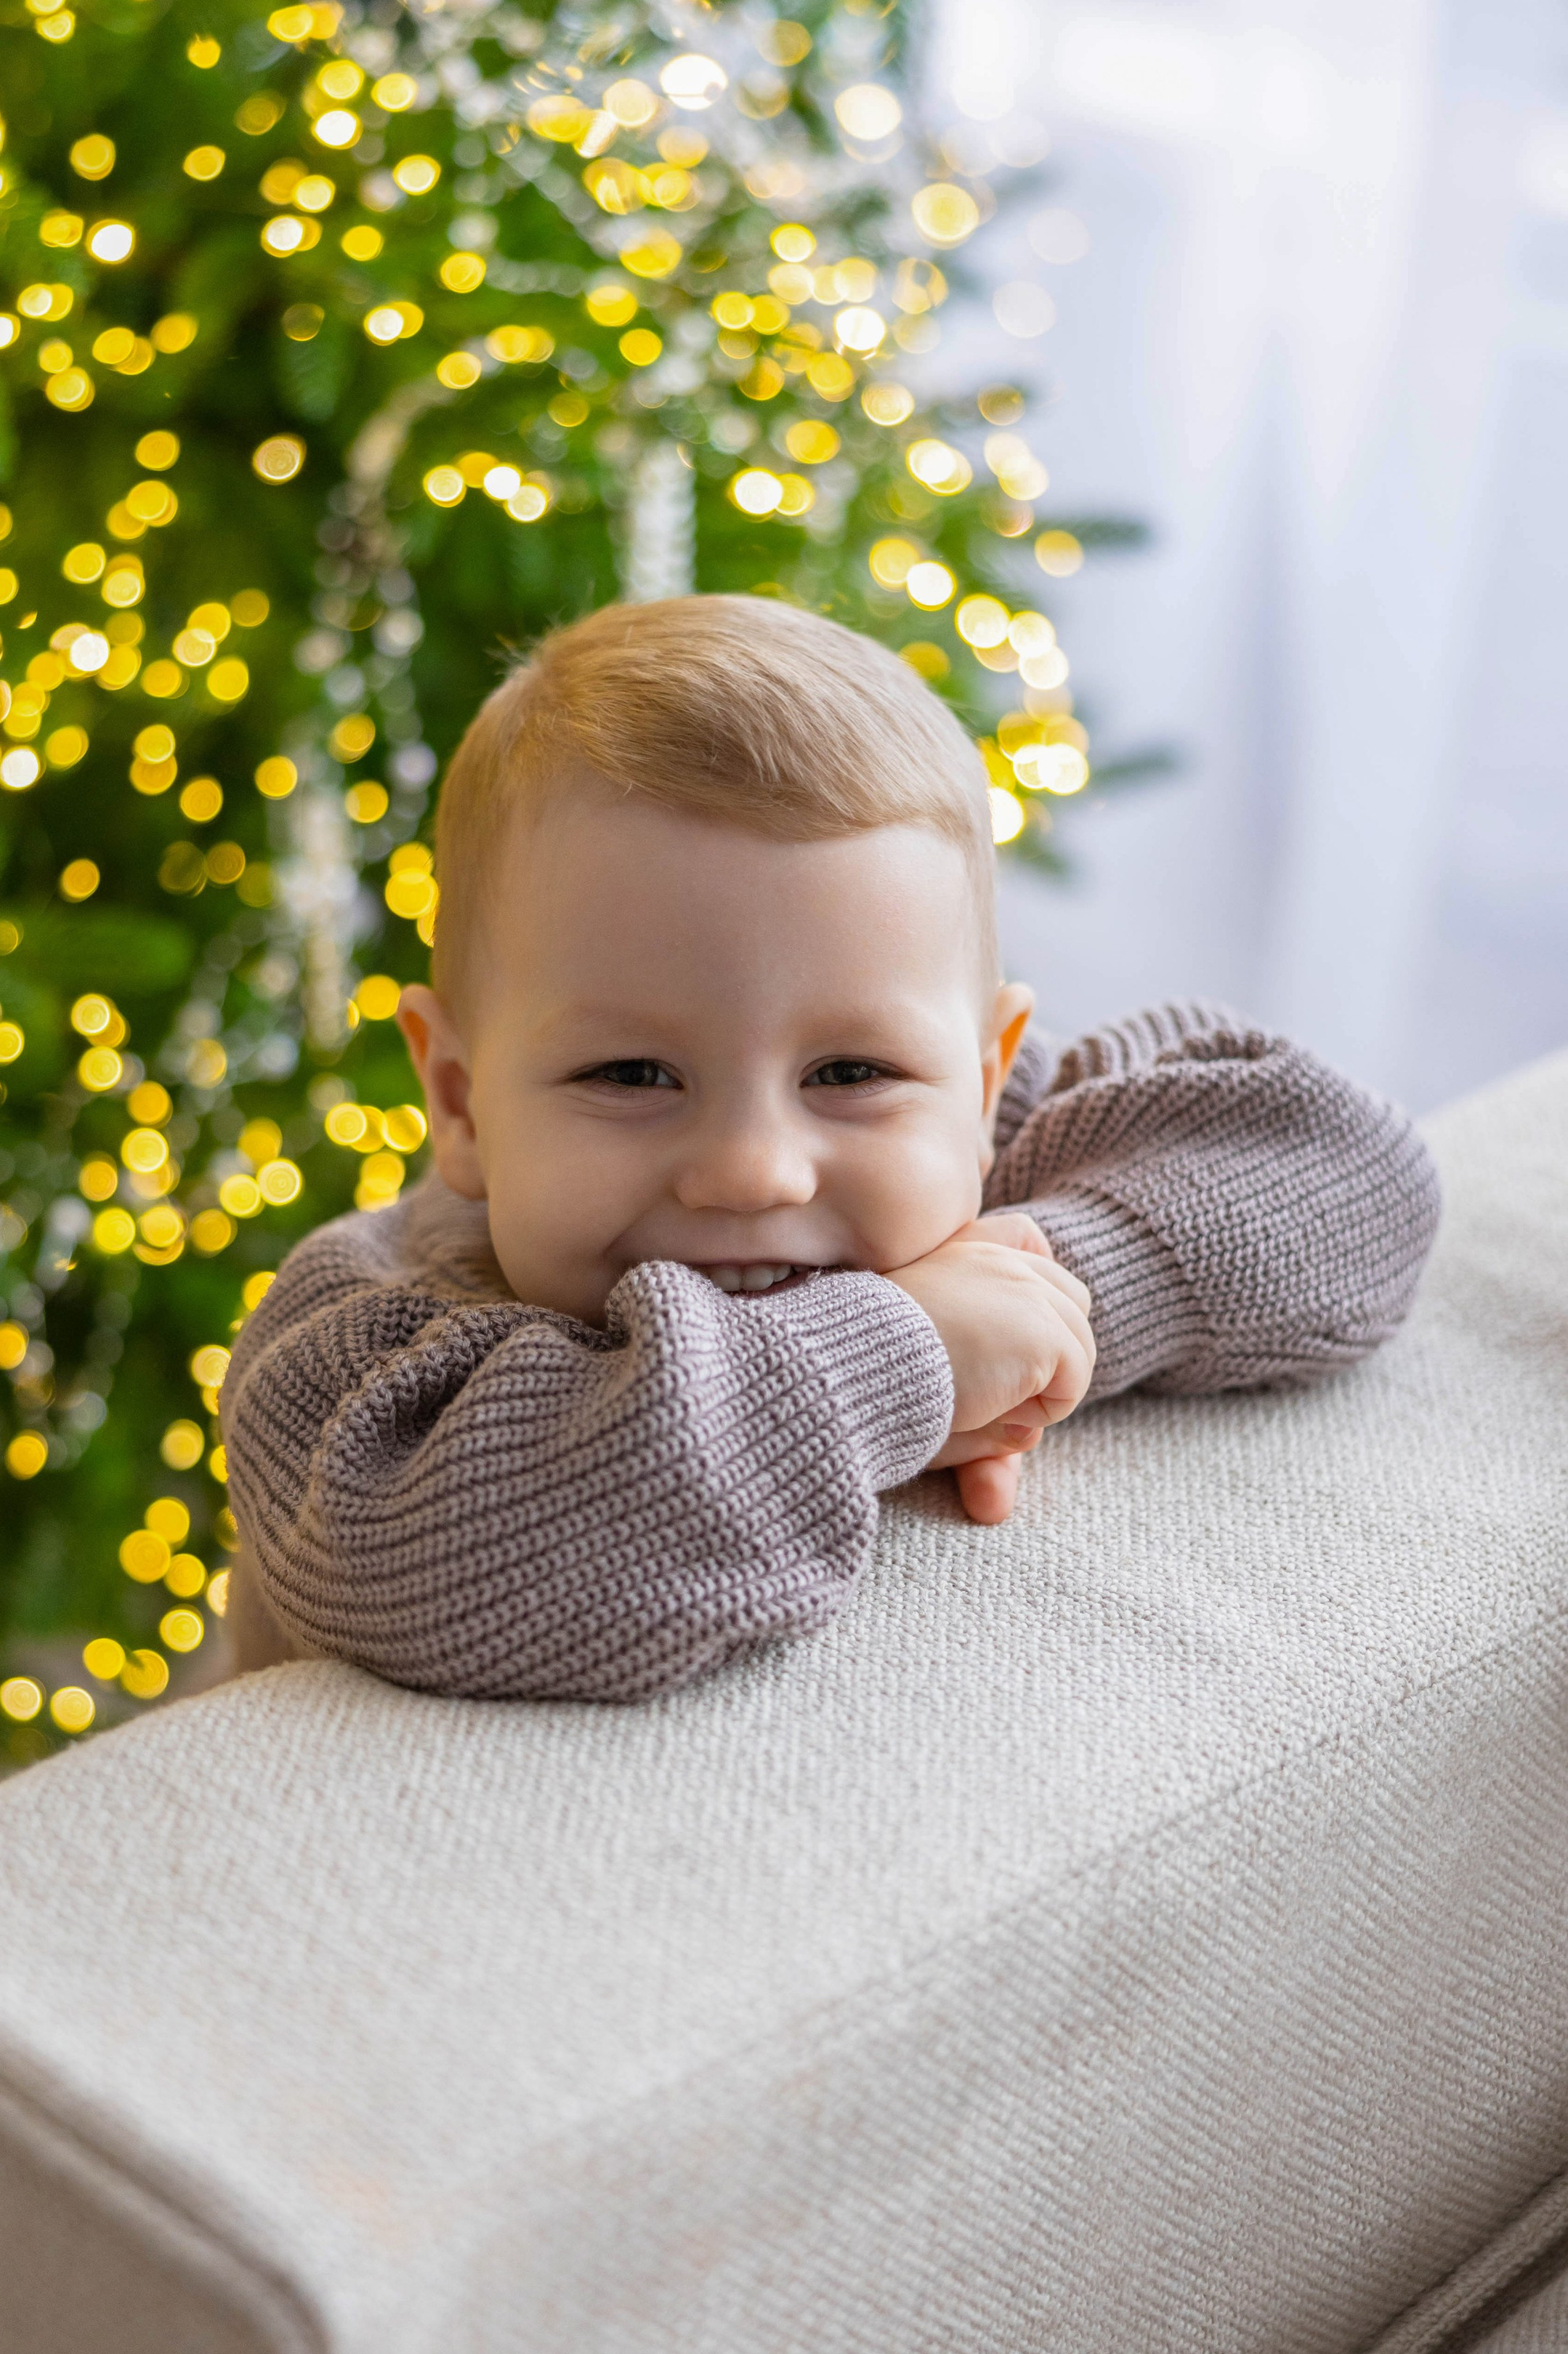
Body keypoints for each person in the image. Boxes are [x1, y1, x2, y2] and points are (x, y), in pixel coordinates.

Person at [221, 594, 1439, 1699]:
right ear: (462, 1100)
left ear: (982, 1075)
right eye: (633, 1075)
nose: (756, 1171)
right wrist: (903, 1355)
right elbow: (467, 1567)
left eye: (848, 1073)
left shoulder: (964, 1137)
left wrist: (1035, 1290)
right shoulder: (360, 1345)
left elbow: (1350, 1175)